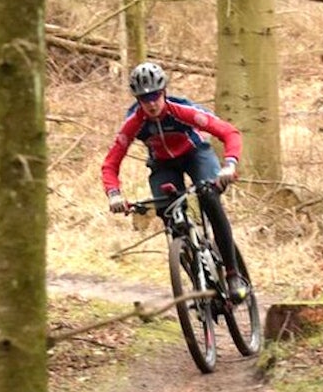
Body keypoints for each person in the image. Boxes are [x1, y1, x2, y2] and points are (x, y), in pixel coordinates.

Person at [101, 61, 249, 302]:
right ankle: (196, 277)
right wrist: (114, 194)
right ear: (137, 99)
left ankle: (233, 274)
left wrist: (229, 165)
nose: (151, 103)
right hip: (162, 165)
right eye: (144, 98)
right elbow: (110, 163)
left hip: (195, 155)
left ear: (164, 92)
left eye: (155, 95)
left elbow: (229, 132)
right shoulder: (133, 123)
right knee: (167, 213)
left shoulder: (183, 111)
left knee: (210, 198)